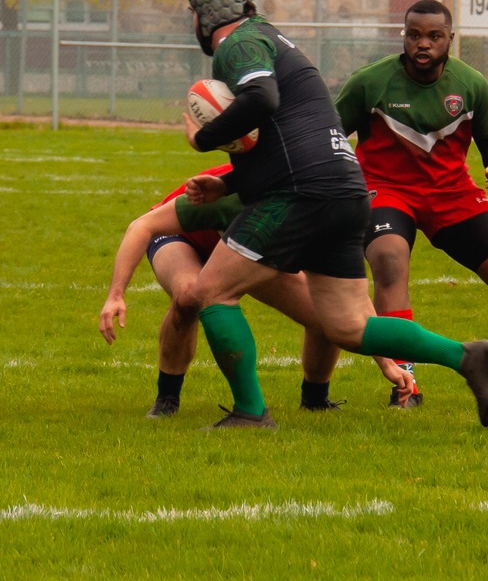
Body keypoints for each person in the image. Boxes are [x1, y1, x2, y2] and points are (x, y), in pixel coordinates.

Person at [171, 0, 488, 429]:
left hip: (302, 192)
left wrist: (202, 138)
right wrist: (228, 183)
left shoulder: (239, 45)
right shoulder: (269, 38)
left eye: (191, 14)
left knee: (210, 291)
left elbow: (263, 100)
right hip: (343, 187)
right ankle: (465, 356)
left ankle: (250, 412)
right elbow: (287, 134)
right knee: (349, 326)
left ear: (205, 15)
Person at [335, 0, 488, 408]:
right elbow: (330, 135)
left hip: (451, 193)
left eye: (434, 36)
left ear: (450, 38)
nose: (423, 43)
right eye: (414, 34)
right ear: (404, 36)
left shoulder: (469, 83)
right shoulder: (370, 82)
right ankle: (406, 384)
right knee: (389, 260)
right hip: (386, 190)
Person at [97, 163, 413, 416]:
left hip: (245, 251)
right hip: (184, 239)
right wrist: (115, 295)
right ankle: (167, 398)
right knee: (189, 294)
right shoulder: (243, 192)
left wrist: (387, 362)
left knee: (326, 315)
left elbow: (345, 299)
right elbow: (143, 225)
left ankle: (315, 401)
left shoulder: (320, 215)